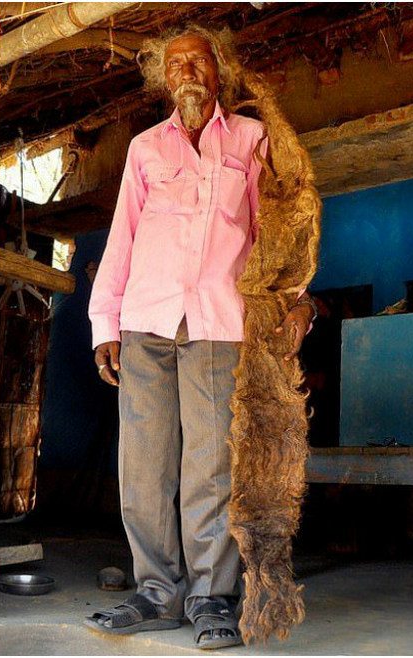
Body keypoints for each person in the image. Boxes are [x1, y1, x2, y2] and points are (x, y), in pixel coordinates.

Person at [85, 25, 315, 649]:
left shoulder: (252, 139)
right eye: (176, 63)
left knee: (213, 464)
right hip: (146, 321)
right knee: (143, 462)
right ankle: (157, 591)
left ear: (220, 71)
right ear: (165, 77)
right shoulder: (143, 150)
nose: (187, 71)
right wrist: (105, 322)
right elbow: (122, 239)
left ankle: (211, 596)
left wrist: (294, 302)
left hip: (220, 323)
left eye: (198, 60)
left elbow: (281, 229)